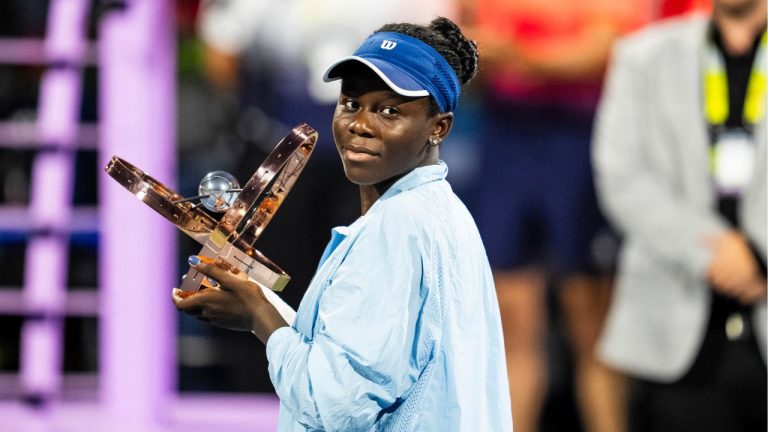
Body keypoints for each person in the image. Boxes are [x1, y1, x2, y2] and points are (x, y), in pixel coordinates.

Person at [173, 17, 513, 431]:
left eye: (389, 111)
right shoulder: (438, 212)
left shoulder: (398, 228)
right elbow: (361, 354)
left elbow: (333, 406)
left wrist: (261, 315)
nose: (360, 125)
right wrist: (255, 307)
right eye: (351, 104)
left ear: (438, 128)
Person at [457, 1, 653, 431]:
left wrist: (517, 56)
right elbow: (464, 45)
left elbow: (608, 50)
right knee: (509, 318)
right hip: (504, 139)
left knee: (591, 320)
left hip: (580, 139)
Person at [592, 0, 767, 430]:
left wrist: (759, 254)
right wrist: (715, 251)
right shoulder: (642, 55)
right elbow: (622, 176)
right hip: (675, 327)